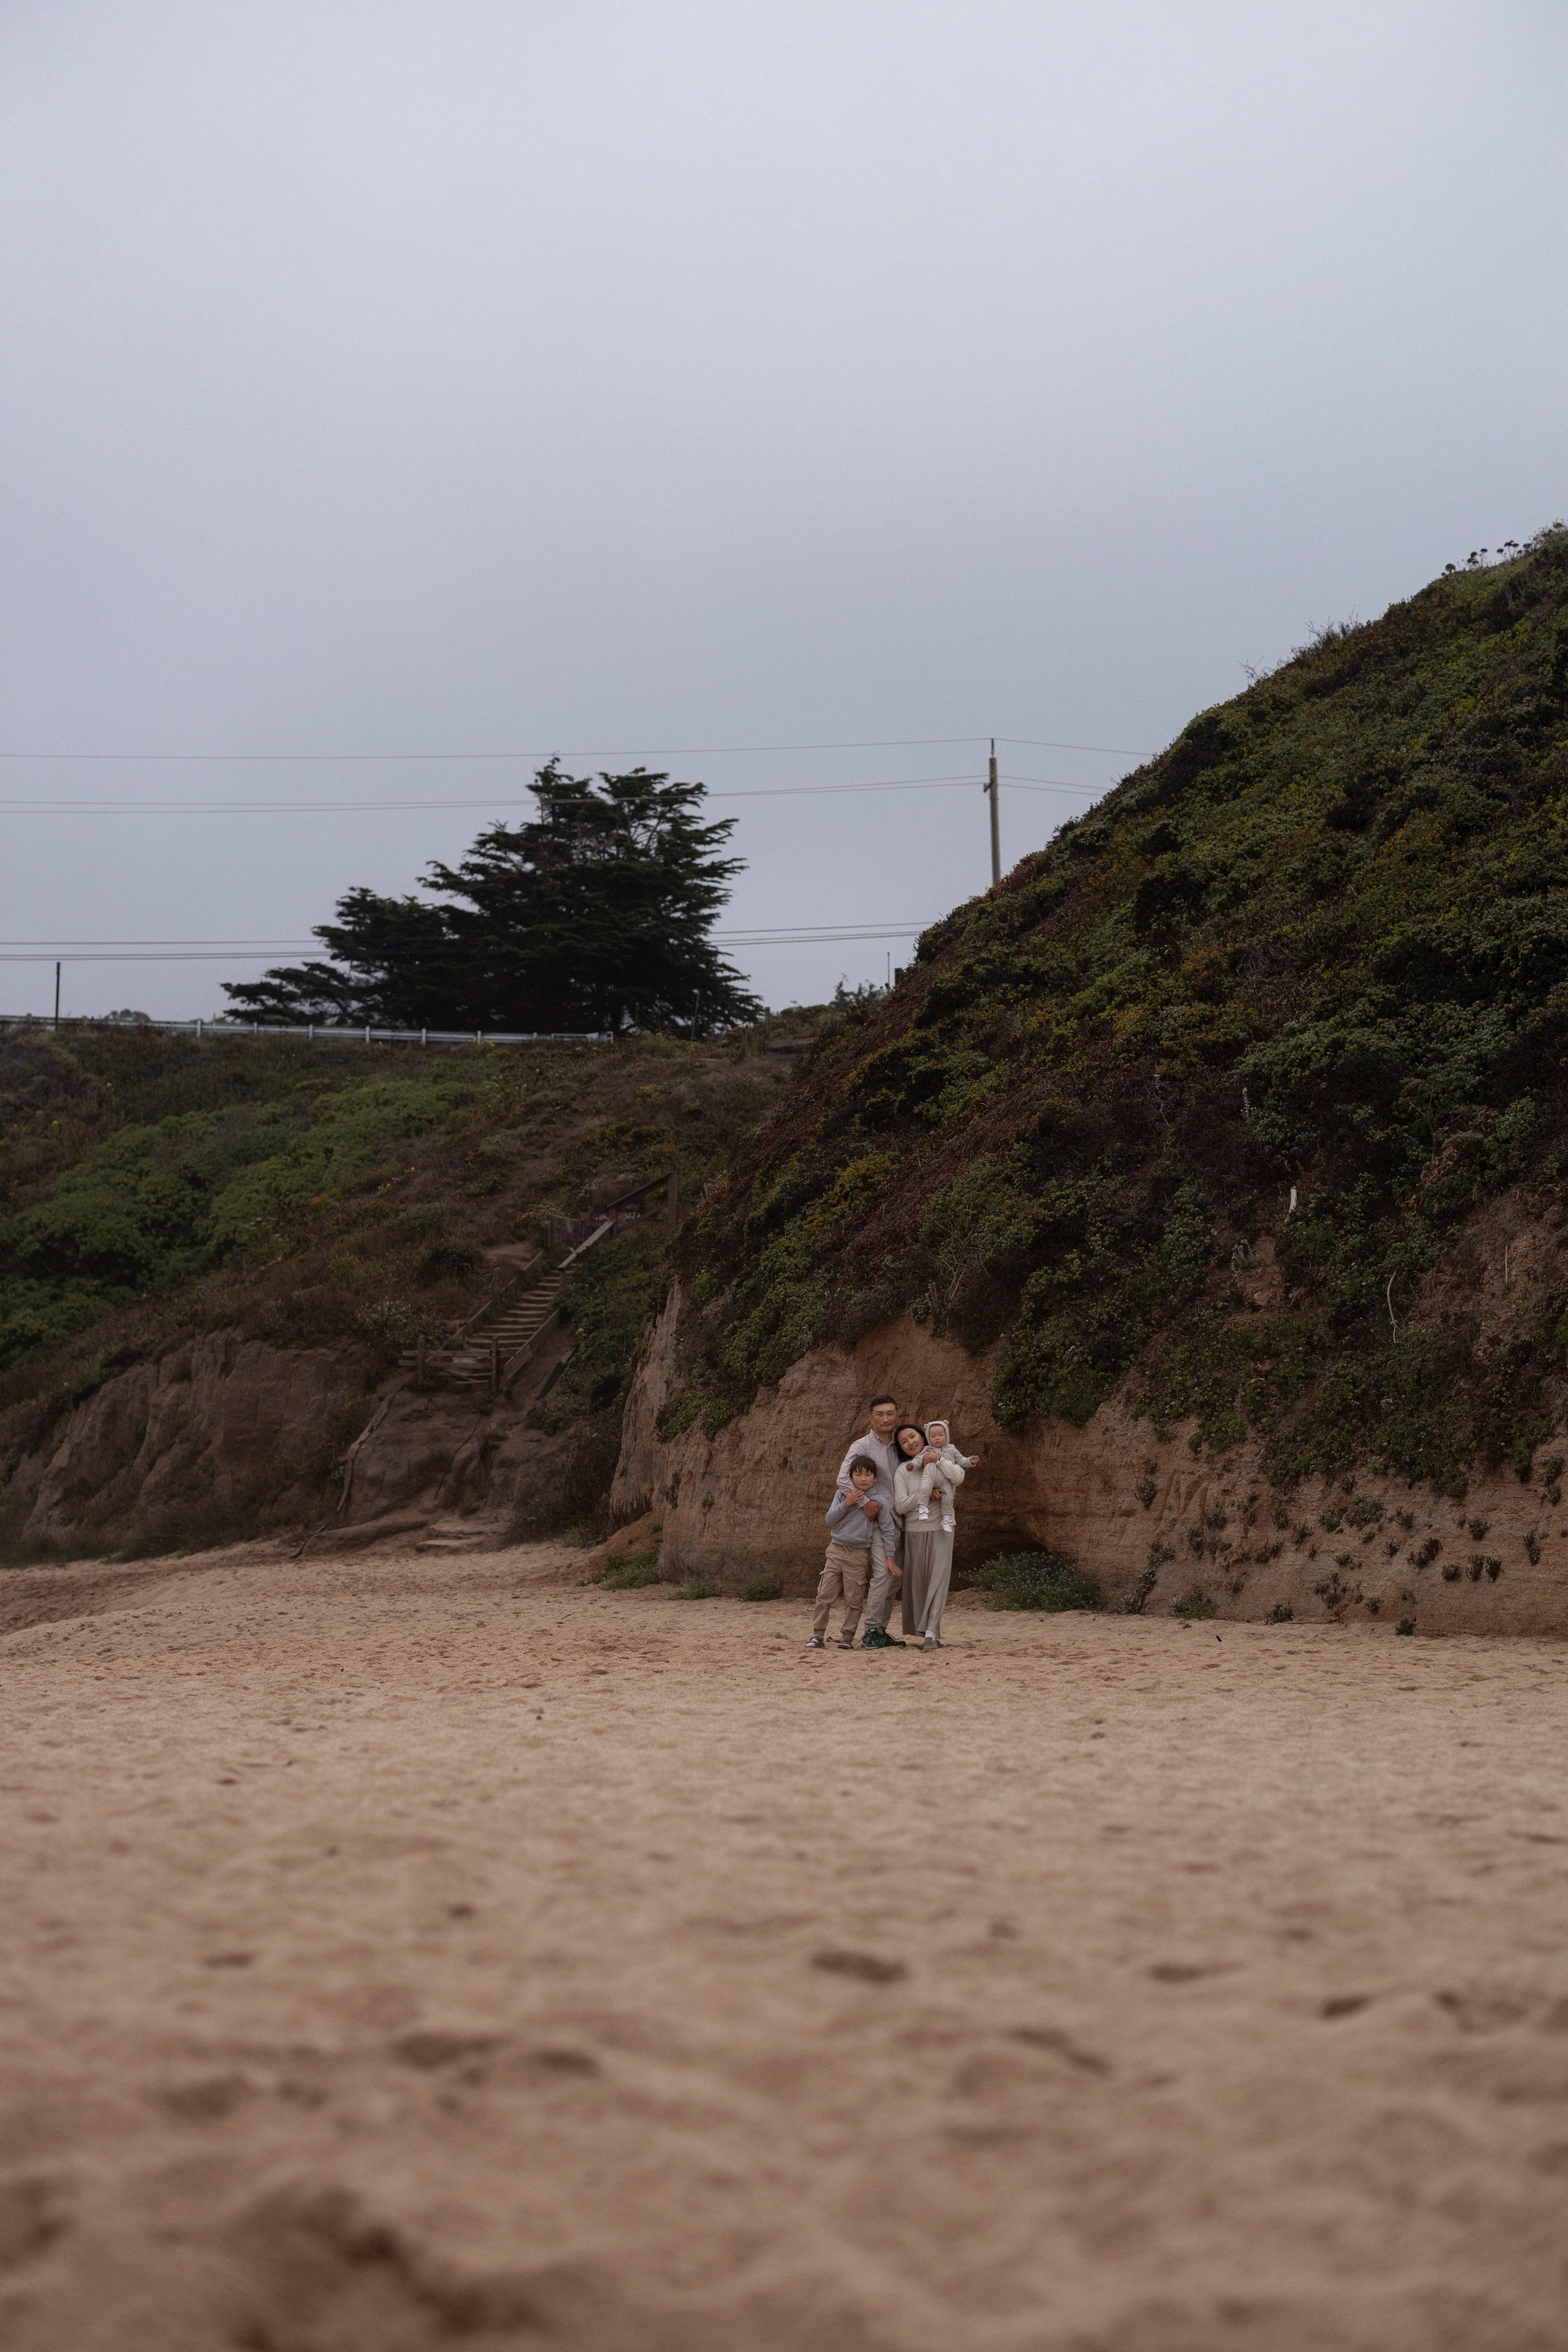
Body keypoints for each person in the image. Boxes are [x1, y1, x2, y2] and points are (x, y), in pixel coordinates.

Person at [832, 1395, 905, 1649]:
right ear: (871, 1418)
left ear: (897, 1416)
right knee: (884, 1574)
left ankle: (881, 1630)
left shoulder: (902, 1443)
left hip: (905, 1520)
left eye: (890, 1414)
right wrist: (865, 1503)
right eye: (880, 1415)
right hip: (878, 1522)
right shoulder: (862, 1446)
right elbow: (843, 1479)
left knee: (896, 1579)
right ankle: (871, 1630)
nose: (886, 1419)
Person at [895, 1420, 966, 1648]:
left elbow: (958, 1476)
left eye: (913, 1437)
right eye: (904, 1442)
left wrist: (939, 1459)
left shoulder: (945, 1460)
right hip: (915, 1531)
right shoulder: (904, 1471)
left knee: (939, 1582)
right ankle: (925, 1630)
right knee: (919, 1584)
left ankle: (931, 1633)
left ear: (924, 1437)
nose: (910, 1443)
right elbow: (900, 1506)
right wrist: (925, 1496)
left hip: (943, 1528)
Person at [807, 1454, 882, 1649]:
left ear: (875, 1478)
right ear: (851, 1476)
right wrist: (847, 1503)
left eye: (868, 1474)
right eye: (858, 1474)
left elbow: (887, 1527)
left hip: (858, 1555)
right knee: (824, 1595)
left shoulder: (877, 1500)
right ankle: (818, 1635)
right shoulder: (842, 1494)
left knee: (854, 1600)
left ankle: (847, 1638)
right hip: (836, 1550)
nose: (863, 1478)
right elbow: (830, 1519)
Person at [913, 1419, 979, 1532]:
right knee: (925, 1488)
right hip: (930, 1475)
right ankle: (923, 1508)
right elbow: (918, 1460)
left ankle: (947, 1520)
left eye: (940, 1435)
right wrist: (912, 1465)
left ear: (947, 1435)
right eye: (933, 1436)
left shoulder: (952, 1449)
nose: (937, 1438)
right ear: (928, 1438)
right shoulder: (928, 1449)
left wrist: (970, 1461)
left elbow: (961, 1460)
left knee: (948, 1499)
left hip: (946, 1479)